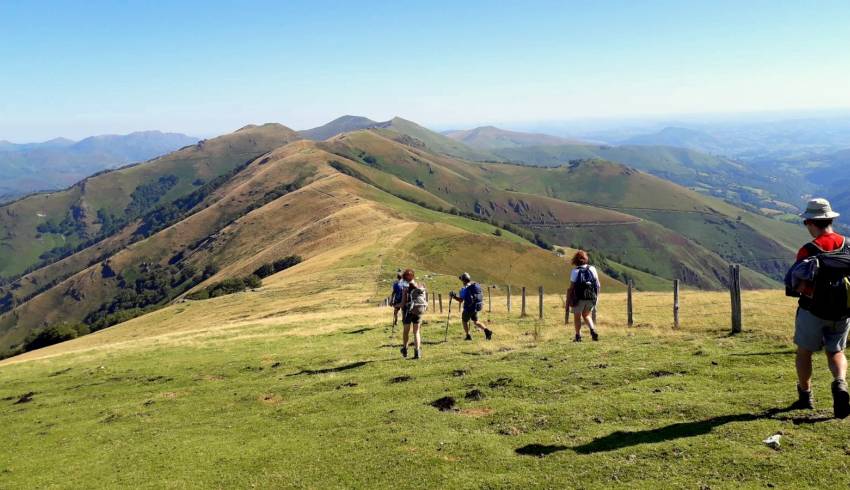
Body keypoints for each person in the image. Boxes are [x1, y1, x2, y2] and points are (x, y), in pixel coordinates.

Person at [786, 198, 850, 418]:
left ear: (812, 222)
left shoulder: (809, 250)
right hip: (842, 311)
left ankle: (806, 396)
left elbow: (799, 284)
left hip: (812, 310)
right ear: (830, 220)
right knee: (836, 351)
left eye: (806, 223)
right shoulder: (848, 244)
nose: (807, 227)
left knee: (804, 353)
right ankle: (840, 382)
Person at [567, 250, 600, 342]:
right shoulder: (592, 269)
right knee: (586, 314)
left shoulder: (575, 271)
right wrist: (596, 297)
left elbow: (571, 287)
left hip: (579, 298)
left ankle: (578, 336)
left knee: (577, 316)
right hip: (591, 296)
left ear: (575, 260)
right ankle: (593, 330)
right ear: (585, 259)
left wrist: (569, 299)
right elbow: (598, 285)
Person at [451, 272, 493, 341]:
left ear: (463, 280)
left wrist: (454, 297)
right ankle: (487, 331)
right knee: (476, 321)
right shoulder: (474, 286)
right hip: (475, 308)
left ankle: (468, 335)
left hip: (468, 308)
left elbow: (461, 300)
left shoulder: (464, 289)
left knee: (464, 321)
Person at [399, 269, 428, 360]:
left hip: (408, 311)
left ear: (404, 277)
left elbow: (403, 303)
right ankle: (417, 352)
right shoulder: (419, 286)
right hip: (418, 310)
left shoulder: (406, 287)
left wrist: (397, 305)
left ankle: (405, 349)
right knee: (416, 332)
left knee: (406, 331)